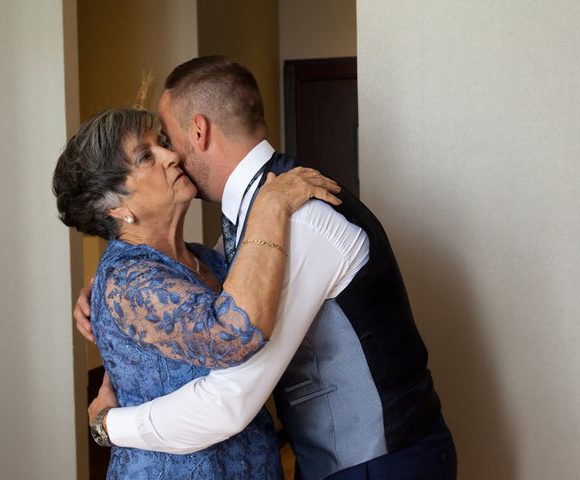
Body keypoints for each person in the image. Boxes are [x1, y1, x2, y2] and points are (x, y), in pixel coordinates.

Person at [76, 56, 457, 480]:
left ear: (198, 131)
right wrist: (110, 296)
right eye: (152, 149)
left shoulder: (295, 218)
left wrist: (108, 424)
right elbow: (170, 293)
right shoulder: (252, 224)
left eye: (166, 138)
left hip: (379, 463)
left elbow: (231, 399)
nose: (169, 155)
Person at [53, 107, 341, 479]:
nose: (172, 156)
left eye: (161, 143)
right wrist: (270, 205)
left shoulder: (205, 258)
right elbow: (232, 337)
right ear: (116, 205)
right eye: (145, 156)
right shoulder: (127, 280)